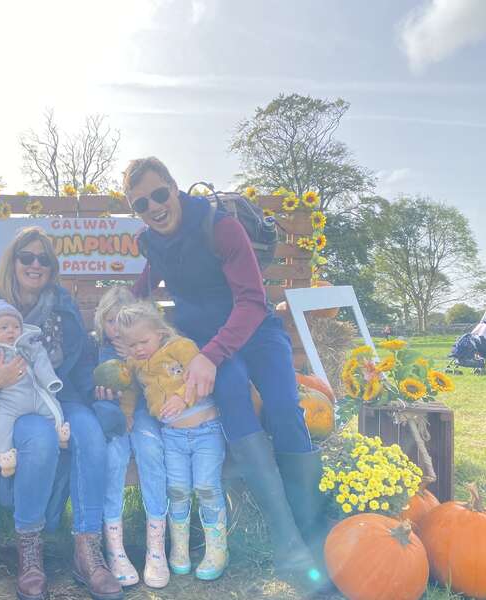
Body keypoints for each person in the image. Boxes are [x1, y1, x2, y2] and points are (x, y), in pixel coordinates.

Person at [124, 157, 324, 587]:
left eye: (160, 194)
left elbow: (252, 302)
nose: (154, 206)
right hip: (207, 346)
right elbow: (144, 287)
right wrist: (115, 319)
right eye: (141, 203)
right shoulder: (152, 242)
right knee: (231, 393)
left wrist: (210, 355)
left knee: (286, 407)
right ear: (136, 211)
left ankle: (312, 531)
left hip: (254, 331)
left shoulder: (220, 229)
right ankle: (286, 541)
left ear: (175, 188)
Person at [0, 226, 122, 600]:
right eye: (26, 257)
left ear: (52, 266)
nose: (35, 264)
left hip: (58, 397)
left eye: (43, 258)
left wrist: (95, 389)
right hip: (9, 405)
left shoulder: (61, 302)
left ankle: (87, 550)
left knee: (91, 435)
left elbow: (79, 361)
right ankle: (29, 548)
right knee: (41, 438)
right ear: (12, 261)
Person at [118, 301, 228, 581]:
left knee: (206, 486)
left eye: (143, 341)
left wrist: (183, 397)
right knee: (177, 489)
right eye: (131, 345)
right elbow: (130, 391)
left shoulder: (180, 346)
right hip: (172, 436)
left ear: (159, 332)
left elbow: (200, 376)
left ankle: (217, 549)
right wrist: (127, 414)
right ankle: (179, 549)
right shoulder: (135, 364)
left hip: (205, 430)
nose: (139, 349)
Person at [93, 286, 169, 588]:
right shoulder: (98, 349)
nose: (116, 329)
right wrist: (99, 393)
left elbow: (158, 382)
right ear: (102, 322)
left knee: (150, 449)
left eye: (122, 323)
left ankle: (156, 548)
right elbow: (92, 383)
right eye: (110, 321)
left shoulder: (144, 348)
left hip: (144, 412)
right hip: (112, 414)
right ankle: (115, 548)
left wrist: (136, 362)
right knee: (114, 456)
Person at [0, 299, 70, 476]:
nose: (10, 331)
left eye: (15, 327)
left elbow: (41, 360)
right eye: (3, 328)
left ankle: (60, 431)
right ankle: (6, 458)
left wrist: (50, 380)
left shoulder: (27, 345)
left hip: (33, 392)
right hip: (6, 400)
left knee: (52, 405)